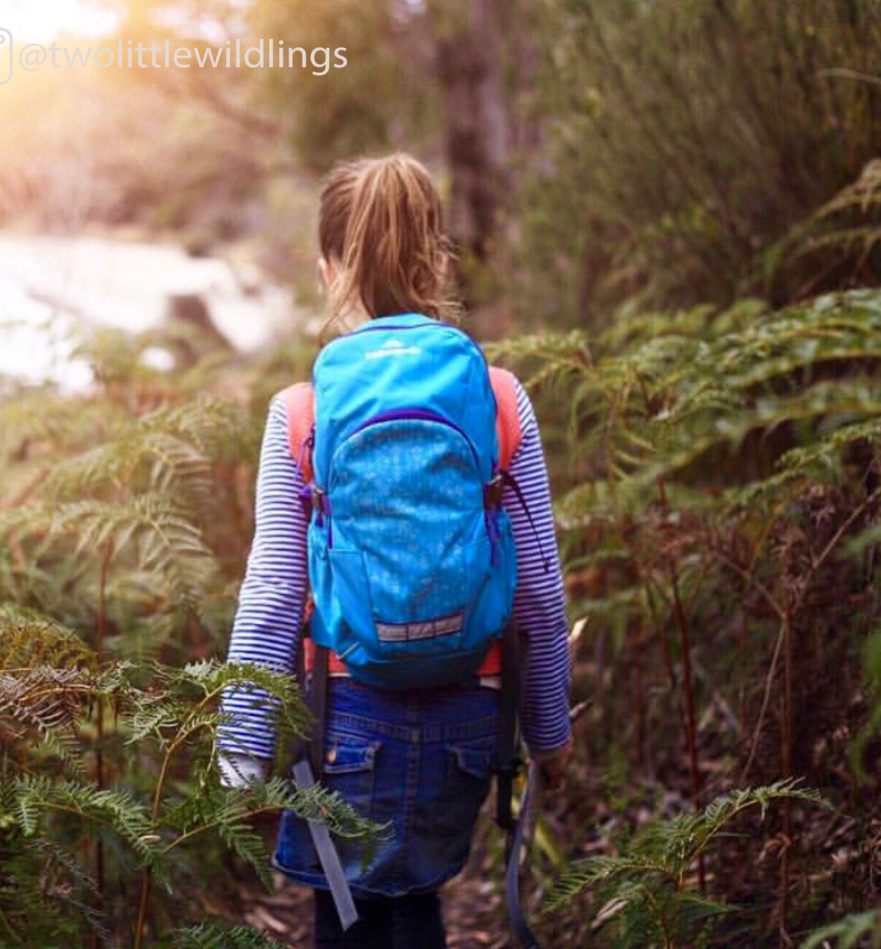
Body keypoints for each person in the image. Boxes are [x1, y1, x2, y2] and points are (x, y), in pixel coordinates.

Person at [218, 153, 572, 949]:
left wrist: (241, 750)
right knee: (416, 898)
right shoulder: (500, 398)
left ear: (329, 268)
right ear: (438, 258)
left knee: (344, 907)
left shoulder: (300, 412)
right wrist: (549, 733)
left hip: (344, 725)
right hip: (468, 721)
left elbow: (273, 591)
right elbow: (541, 593)